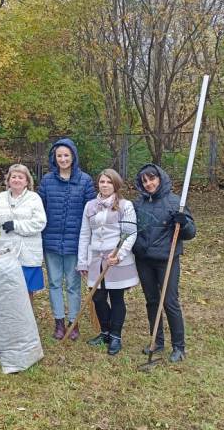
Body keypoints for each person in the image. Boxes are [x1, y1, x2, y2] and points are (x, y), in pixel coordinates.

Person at [132, 163, 196, 363]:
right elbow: (131, 229)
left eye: (152, 179)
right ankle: (157, 341)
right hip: (144, 260)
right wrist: (137, 247)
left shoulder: (176, 203)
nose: (148, 184)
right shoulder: (138, 204)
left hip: (167, 260)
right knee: (152, 301)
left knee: (169, 302)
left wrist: (184, 223)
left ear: (160, 178)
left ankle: (179, 347)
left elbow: (190, 233)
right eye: (144, 181)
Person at [38, 137, 96, 340]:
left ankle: (73, 321)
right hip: (51, 241)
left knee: (73, 284)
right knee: (54, 282)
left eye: (66, 155)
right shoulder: (47, 181)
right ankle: (59, 323)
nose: (63, 159)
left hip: (75, 242)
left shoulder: (85, 181)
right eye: (59, 156)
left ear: (73, 156)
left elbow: (92, 212)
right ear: (54, 158)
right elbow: (39, 210)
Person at [77, 169, 138, 355]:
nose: (104, 185)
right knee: (98, 297)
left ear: (115, 184)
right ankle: (105, 332)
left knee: (117, 297)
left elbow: (130, 233)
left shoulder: (125, 205)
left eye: (109, 182)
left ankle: (115, 336)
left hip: (116, 259)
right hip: (96, 259)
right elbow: (85, 234)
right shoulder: (90, 206)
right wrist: (82, 261)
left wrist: (119, 255)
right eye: (102, 181)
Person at [0, 164, 46, 301]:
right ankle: (11, 315)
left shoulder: (34, 198)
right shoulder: (1, 198)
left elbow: (40, 222)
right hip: (7, 252)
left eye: (20, 177)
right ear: (8, 180)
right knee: (8, 289)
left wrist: (15, 225)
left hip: (28, 253)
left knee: (27, 290)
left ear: (27, 181)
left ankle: (27, 315)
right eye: (13, 177)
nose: (16, 180)